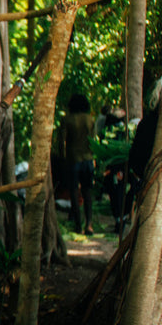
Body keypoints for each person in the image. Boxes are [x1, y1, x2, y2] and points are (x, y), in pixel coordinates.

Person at [62, 93, 95, 235]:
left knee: (74, 192)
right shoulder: (90, 119)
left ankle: (78, 225)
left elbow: (61, 141)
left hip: (73, 159)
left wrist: (62, 158)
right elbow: (93, 141)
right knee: (87, 192)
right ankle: (89, 224)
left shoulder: (67, 119)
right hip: (88, 159)